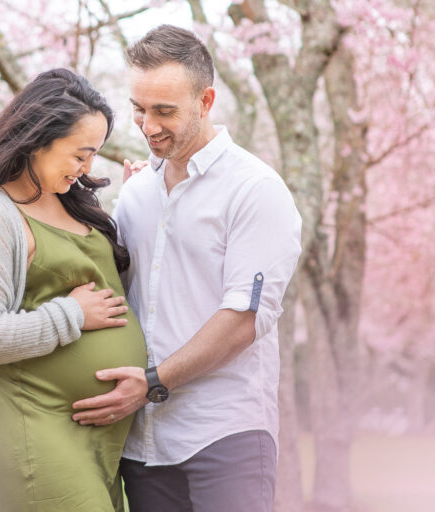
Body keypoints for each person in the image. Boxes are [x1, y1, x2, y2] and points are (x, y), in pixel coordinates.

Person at [70, 25, 303, 512]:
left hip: (226, 435)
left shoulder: (254, 189)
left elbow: (243, 319)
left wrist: (152, 382)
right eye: (138, 108)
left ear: (206, 100)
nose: (148, 125)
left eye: (164, 111)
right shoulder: (135, 192)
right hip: (144, 445)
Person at [0, 68, 147, 512]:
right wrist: (71, 317)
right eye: (80, 154)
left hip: (97, 438)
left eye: (95, 155)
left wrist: (146, 194)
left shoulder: (73, 202)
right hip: (34, 427)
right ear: (36, 139)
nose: (87, 168)